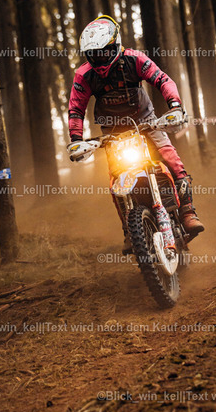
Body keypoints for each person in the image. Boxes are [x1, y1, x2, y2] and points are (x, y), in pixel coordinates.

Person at [67, 15, 204, 248]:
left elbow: (163, 80)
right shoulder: (84, 75)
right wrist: (76, 139)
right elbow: (76, 109)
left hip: (145, 121)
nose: (100, 58)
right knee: (115, 180)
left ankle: (188, 212)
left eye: (104, 52)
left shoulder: (134, 59)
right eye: (94, 54)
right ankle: (129, 230)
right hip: (113, 131)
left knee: (172, 159)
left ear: (115, 45)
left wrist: (175, 106)